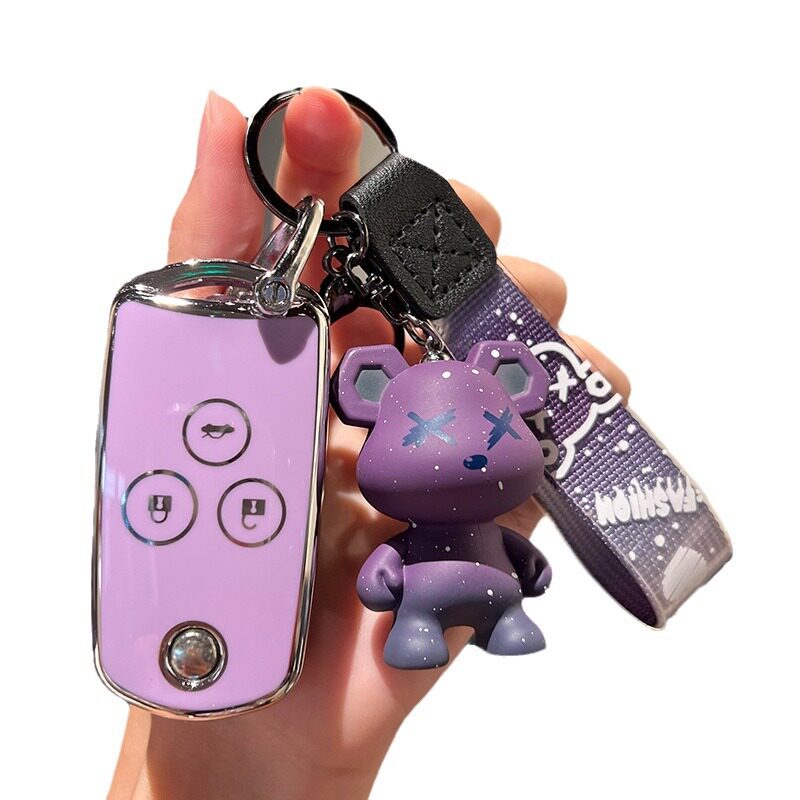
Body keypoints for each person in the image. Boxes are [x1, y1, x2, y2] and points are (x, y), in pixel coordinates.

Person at [109, 87, 629, 800]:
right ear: (366, 396)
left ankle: (500, 622)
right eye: (422, 435)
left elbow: (505, 557)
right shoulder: (182, 329)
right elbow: (388, 569)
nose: (465, 454)